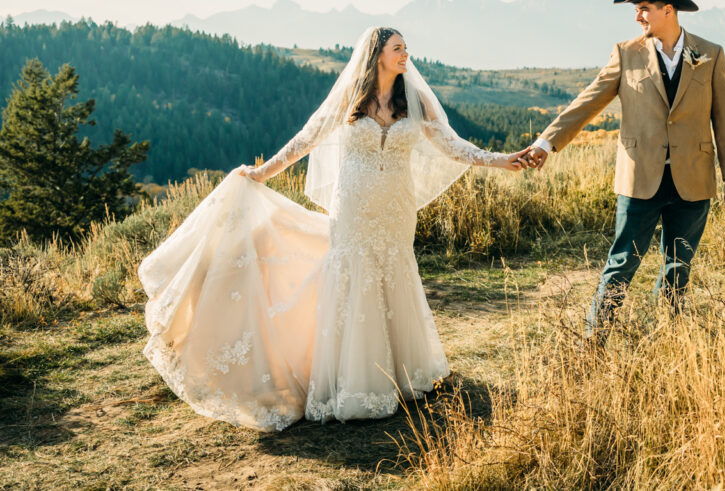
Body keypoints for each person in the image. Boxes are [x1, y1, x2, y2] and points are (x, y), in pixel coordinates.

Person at [139, 26, 527, 431]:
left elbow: (453, 146)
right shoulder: (350, 97)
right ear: (377, 54)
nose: (405, 54)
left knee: (394, 274)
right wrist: (261, 173)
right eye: (397, 48)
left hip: (395, 208)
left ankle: (401, 372)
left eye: (406, 48)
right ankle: (356, 381)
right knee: (354, 279)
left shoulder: (416, 99)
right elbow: (305, 140)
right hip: (354, 206)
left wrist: (502, 160)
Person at [519, 0, 725, 336]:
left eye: (643, 9)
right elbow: (589, 101)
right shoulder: (626, 53)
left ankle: (667, 340)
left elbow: (724, 117)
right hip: (640, 179)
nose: (638, 17)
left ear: (667, 10)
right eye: (637, 10)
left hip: (693, 179)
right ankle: (594, 341)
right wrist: (547, 142)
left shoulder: (709, 53)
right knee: (622, 263)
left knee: (678, 268)